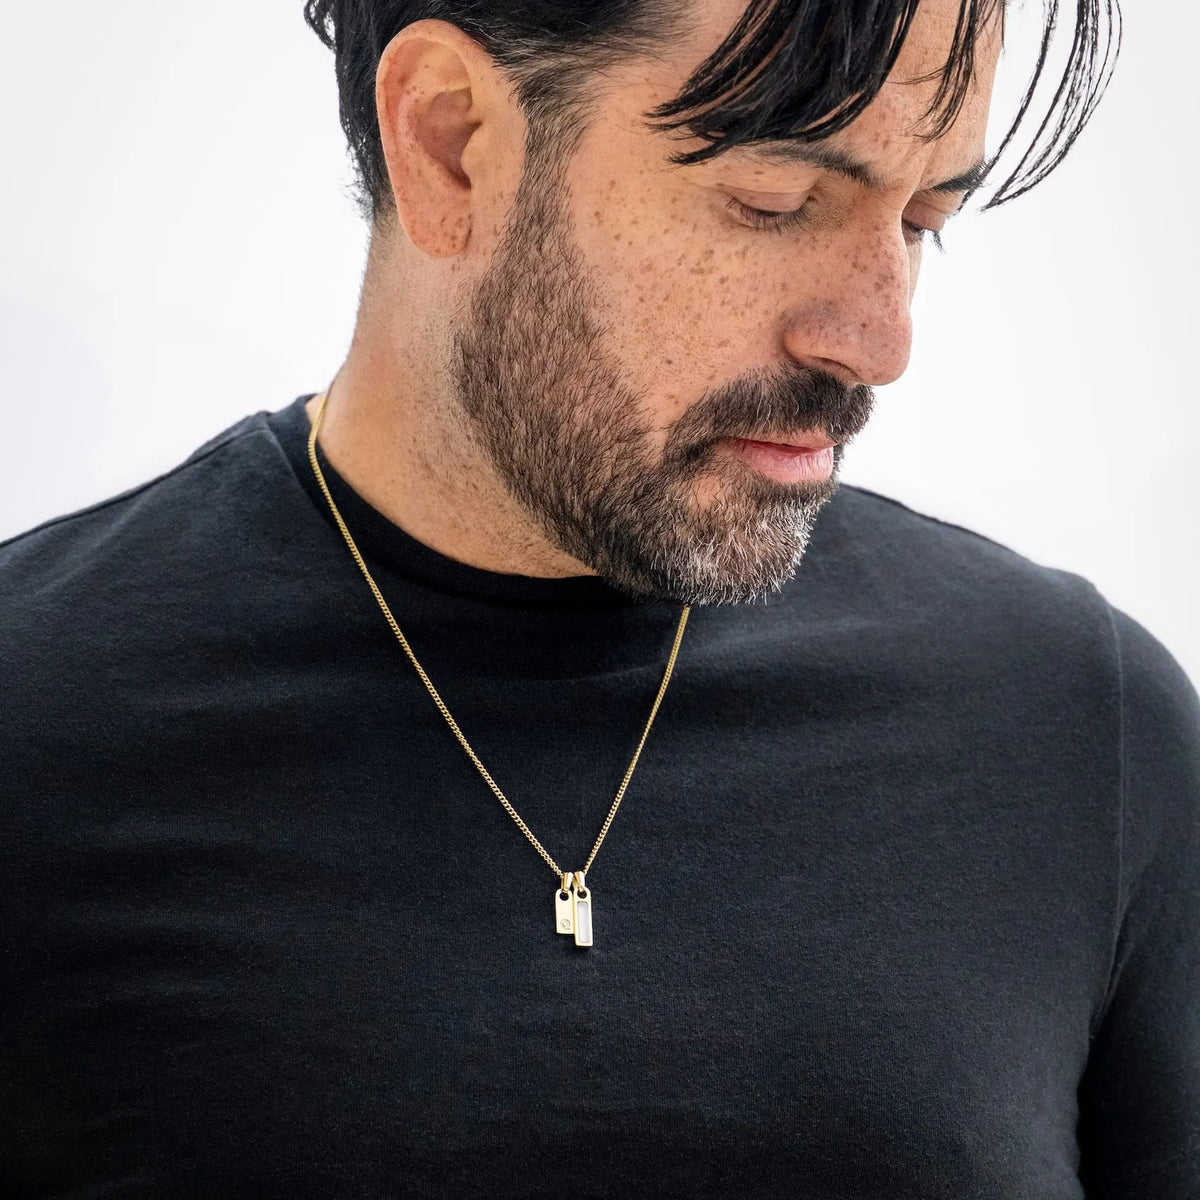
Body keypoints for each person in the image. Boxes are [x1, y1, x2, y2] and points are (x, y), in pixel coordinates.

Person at [1, 0, 1195, 1196]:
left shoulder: (1080, 729)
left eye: (925, 219)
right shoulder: (36, 718)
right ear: (450, 141)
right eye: (775, 200)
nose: (880, 341)